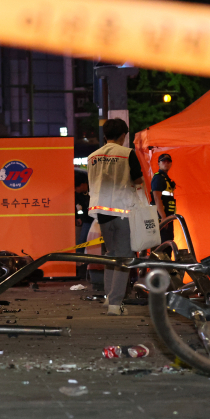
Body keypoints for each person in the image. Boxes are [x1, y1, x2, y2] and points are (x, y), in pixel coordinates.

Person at [87, 118, 144, 316]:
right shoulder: (127, 153)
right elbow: (138, 180)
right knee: (124, 257)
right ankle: (115, 304)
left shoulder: (92, 156)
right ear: (123, 135)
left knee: (111, 255)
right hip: (121, 210)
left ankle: (108, 298)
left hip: (100, 212)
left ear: (104, 135)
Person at [150, 153, 176, 257]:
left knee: (167, 245)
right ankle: (162, 271)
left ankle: (165, 270)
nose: (166, 163)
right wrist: (163, 218)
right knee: (163, 246)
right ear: (159, 163)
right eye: (163, 161)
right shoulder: (158, 178)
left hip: (166, 217)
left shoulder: (165, 178)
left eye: (168, 161)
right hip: (161, 218)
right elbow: (157, 198)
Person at [75, 172, 93, 255]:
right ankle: (79, 259)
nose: (75, 190)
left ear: (82, 184)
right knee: (82, 240)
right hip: (87, 220)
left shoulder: (94, 189)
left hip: (97, 219)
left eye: (76, 187)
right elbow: (78, 207)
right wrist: (79, 217)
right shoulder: (77, 195)